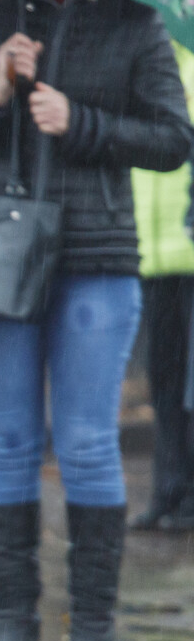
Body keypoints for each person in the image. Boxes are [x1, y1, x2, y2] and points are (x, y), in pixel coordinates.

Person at [0, 0, 194, 641]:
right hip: (4, 259)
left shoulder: (136, 28)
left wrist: (80, 121)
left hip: (98, 256)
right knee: (9, 443)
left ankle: (92, 629)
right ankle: (14, 625)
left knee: (85, 443)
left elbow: (173, 140)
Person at [130, 36, 194, 532]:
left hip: (189, 247)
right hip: (152, 249)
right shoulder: (146, 57)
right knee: (164, 379)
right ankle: (167, 490)